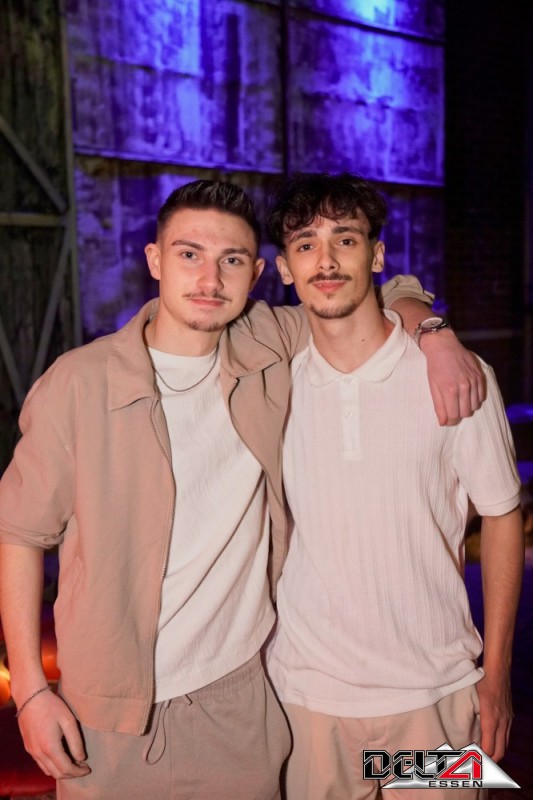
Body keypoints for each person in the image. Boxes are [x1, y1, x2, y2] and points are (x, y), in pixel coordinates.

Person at [0, 180, 484, 800]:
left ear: (256, 274)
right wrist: (31, 693)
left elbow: (370, 294)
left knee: (454, 779)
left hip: (255, 703)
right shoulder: (79, 383)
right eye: (189, 254)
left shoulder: (270, 344)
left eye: (231, 260)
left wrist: (435, 332)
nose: (210, 278)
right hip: (115, 717)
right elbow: (19, 534)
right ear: (154, 260)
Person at [265, 173, 524, 800]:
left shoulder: (458, 376)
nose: (326, 260)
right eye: (306, 244)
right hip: (308, 702)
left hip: (433, 699)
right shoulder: (272, 383)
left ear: (377, 255)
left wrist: (496, 674)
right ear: (285, 269)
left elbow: (502, 515)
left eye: (345, 239)